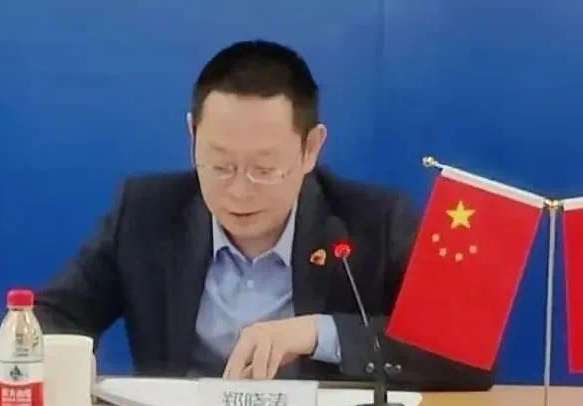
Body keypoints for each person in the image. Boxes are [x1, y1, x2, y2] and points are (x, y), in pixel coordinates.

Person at [34, 39, 494, 390]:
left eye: (264, 169)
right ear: (192, 136)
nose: (239, 191)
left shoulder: (372, 220)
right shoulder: (145, 212)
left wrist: (318, 333)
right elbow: (48, 319)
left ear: (311, 148)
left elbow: (466, 357)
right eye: (220, 166)